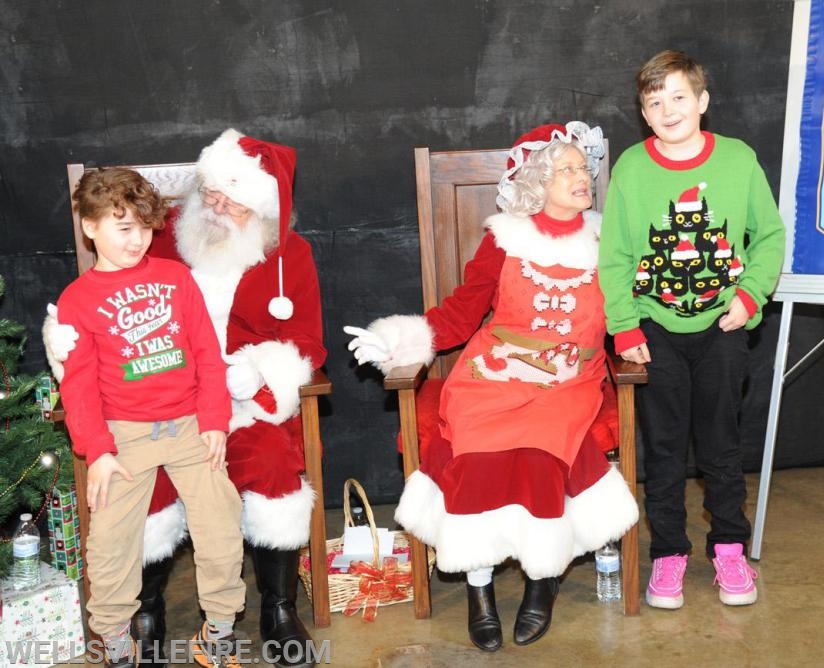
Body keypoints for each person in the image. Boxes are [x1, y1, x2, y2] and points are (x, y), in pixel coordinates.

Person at [345, 122, 638, 652]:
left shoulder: (608, 238)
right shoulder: (504, 239)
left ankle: (541, 580)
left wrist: (643, 341)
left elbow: (626, 312)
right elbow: (462, 310)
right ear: (538, 181)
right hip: (495, 370)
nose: (583, 177)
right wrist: (400, 340)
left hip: (570, 377)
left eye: (583, 168)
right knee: (474, 445)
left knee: (544, 445)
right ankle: (478, 588)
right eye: (565, 170)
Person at [45, 130, 326, 668]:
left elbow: (309, 341)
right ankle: (140, 613)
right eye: (211, 194)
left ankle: (276, 606)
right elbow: (89, 348)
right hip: (139, 412)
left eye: (233, 203)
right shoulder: (163, 236)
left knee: (267, 464)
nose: (216, 209)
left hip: (236, 403)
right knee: (126, 506)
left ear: (263, 210)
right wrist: (63, 349)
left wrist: (260, 367)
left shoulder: (289, 255)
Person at [597, 50, 785, 610]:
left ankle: (729, 545)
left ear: (702, 102)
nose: (667, 109)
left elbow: (769, 236)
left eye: (678, 97)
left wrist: (749, 296)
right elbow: (615, 255)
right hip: (653, 329)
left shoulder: (737, 159)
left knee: (722, 446)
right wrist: (624, 327)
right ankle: (670, 553)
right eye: (654, 102)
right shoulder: (632, 167)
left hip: (722, 326)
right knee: (663, 448)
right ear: (644, 115)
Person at [56, 168, 245, 667]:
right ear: (90, 226)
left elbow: (207, 351)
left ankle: (219, 632)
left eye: (143, 226)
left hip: (189, 426)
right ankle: (117, 643)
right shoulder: (79, 300)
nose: (137, 239)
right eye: (123, 227)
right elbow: (77, 386)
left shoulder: (175, 277)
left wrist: (214, 421)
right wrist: (97, 451)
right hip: (124, 436)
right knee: (111, 543)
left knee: (221, 526)